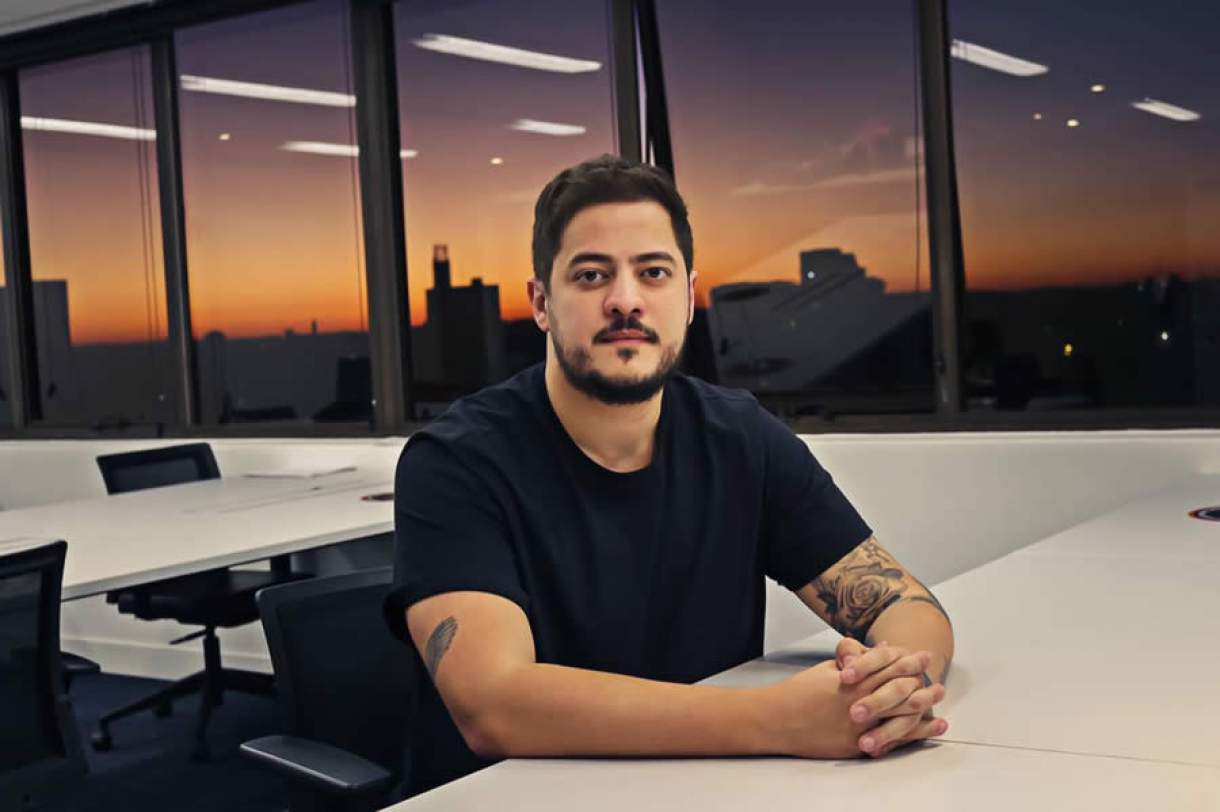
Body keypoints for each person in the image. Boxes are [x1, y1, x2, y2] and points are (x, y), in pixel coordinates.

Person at [383, 154, 954, 794]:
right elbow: (495, 705)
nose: (625, 300)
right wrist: (779, 721)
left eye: (653, 273)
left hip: (701, 787)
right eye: (591, 275)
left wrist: (895, 687)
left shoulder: (741, 438)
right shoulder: (456, 461)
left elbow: (905, 605)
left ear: (686, 298)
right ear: (541, 303)